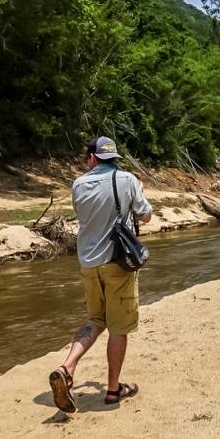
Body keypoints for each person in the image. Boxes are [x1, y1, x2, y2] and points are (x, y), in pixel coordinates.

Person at [48, 136, 153, 413]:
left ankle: (67, 366)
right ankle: (113, 391)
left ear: (92, 158)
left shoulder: (78, 184)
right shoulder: (127, 180)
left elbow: (86, 215)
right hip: (117, 263)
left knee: (95, 319)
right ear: (113, 158)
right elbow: (146, 216)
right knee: (119, 328)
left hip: (88, 263)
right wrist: (137, 190)